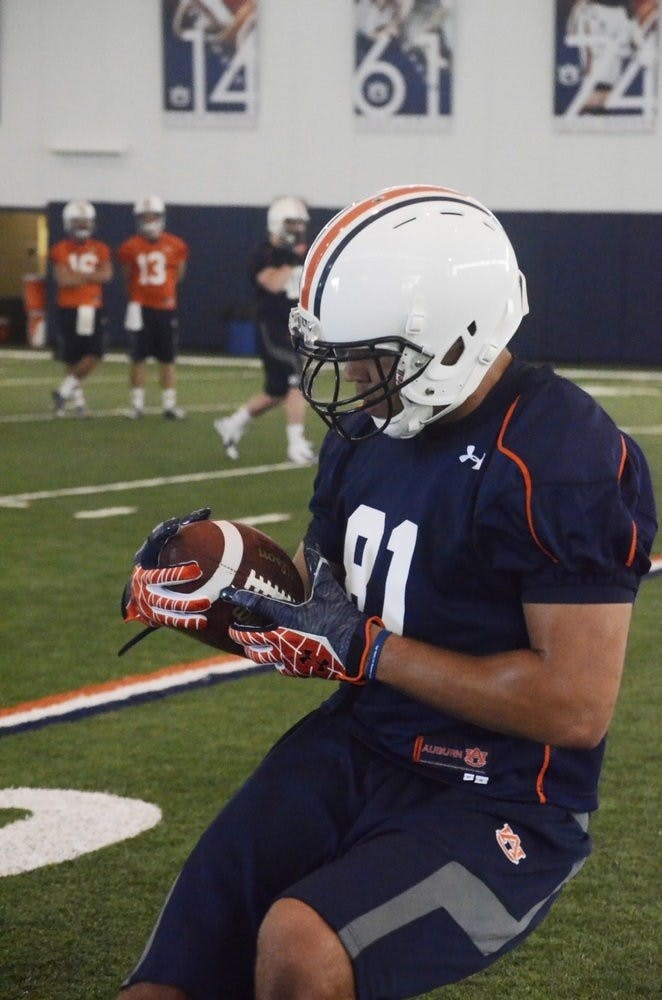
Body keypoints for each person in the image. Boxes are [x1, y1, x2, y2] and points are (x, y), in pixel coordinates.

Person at [118, 184, 657, 1000]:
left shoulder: (560, 453)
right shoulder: (371, 430)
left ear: (455, 340)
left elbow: (573, 707)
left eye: (373, 357)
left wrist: (370, 649)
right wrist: (229, 593)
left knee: (300, 946)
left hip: (505, 792)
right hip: (362, 742)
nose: (352, 381)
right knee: (168, 981)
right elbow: (317, 600)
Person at [214, 195, 316, 466]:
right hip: (272, 327)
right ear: (277, 222)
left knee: (277, 391)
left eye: (299, 223)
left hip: (293, 325)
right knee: (298, 380)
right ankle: (296, 444)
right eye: (291, 223)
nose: (296, 228)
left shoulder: (300, 252)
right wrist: (291, 260)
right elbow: (272, 283)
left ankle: (233, 423)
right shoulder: (263, 253)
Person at [118, 195, 190, 420]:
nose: (149, 220)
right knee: (138, 357)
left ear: (161, 217)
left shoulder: (176, 245)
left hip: (165, 308)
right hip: (139, 308)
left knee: (167, 358)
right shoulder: (129, 247)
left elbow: (178, 275)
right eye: (144, 217)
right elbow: (127, 277)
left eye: (153, 216)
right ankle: (137, 405)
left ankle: (169, 405)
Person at [49, 200, 112, 417]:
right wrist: (90, 278)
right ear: (68, 223)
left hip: (92, 307)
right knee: (74, 357)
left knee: (95, 353)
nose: (82, 225)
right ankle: (77, 402)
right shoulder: (60, 248)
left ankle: (63, 392)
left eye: (85, 221)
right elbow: (63, 280)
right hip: (70, 307)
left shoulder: (101, 248)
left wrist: (79, 277)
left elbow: (107, 275)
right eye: (77, 221)